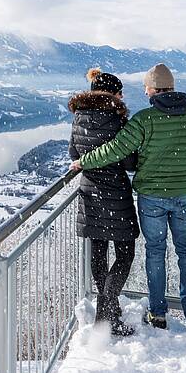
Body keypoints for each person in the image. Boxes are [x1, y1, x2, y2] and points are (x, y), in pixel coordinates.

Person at [70, 63, 186, 335]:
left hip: (150, 197)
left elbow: (116, 150)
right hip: (182, 196)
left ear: (154, 89)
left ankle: (157, 314)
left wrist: (84, 160)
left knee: (155, 252)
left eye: (146, 86)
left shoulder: (145, 119)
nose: (143, 91)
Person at [69, 68, 140, 337]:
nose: (122, 97)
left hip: (89, 193)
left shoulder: (78, 118)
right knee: (125, 253)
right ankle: (106, 314)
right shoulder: (118, 121)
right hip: (115, 194)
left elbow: (74, 152)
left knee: (98, 253)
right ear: (111, 93)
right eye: (120, 92)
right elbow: (130, 161)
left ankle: (108, 309)